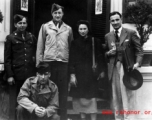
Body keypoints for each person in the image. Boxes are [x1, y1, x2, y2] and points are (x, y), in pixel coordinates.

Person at [36, 3, 73, 120]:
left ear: (63, 14)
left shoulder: (68, 29)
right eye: (55, 13)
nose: (57, 15)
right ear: (52, 14)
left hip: (63, 63)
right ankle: (48, 115)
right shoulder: (45, 26)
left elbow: (71, 47)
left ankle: (63, 116)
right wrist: (39, 64)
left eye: (59, 13)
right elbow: (40, 46)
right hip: (48, 62)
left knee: (62, 90)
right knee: (48, 89)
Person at [105, 11, 143, 120]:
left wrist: (137, 63)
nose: (115, 22)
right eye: (112, 20)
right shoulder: (108, 36)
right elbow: (105, 53)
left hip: (128, 68)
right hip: (114, 68)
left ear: (121, 20)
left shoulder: (130, 32)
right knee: (116, 94)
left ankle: (130, 118)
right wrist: (108, 53)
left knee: (129, 93)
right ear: (110, 22)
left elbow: (139, 50)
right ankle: (119, 117)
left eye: (117, 19)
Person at [69, 20, 106, 120]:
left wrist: (101, 71)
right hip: (79, 74)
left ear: (88, 29)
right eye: (80, 29)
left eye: (84, 29)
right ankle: (83, 118)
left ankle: (93, 118)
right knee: (81, 98)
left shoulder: (95, 41)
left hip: (91, 74)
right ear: (78, 30)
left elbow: (101, 58)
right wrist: (72, 74)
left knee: (91, 98)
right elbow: (71, 60)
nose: (82, 31)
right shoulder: (74, 43)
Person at [4, 14, 37, 120]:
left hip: (29, 75)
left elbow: (36, 54)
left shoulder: (31, 37)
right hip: (16, 75)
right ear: (15, 24)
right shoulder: (10, 38)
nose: (22, 25)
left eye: (24, 23)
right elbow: (7, 59)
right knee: (14, 100)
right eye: (20, 23)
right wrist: (10, 75)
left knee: (29, 100)